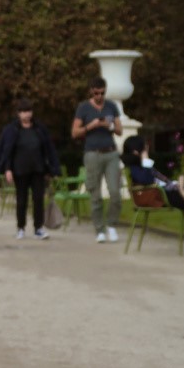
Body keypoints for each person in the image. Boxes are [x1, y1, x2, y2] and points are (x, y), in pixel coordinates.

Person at [122, 135, 184, 254]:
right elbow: (148, 180)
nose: (147, 148)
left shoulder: (141, 165)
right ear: (136, 151)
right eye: (145, 147)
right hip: (163, 195)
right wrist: (145, 161)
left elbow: (158, 180)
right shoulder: (136, 167)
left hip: (168, 190)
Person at [0, 98, 61, 240]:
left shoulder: (39, 129)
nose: (27, 114)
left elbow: (48, 149)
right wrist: (7, 169)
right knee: (21, 200)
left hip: (38, 169)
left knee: (38, 199)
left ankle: (38, 228)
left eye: (29, 111)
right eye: (24, 112)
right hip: (19, 170)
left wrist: (51, 170)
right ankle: (21, 227)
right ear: (18, 113)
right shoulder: (11, 130)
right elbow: (6, 151)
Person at [71, 76, 122, 243]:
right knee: (95, 193)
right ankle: (99, 229)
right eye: (96, 93)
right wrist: (90, 126)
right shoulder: (83, 108)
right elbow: (74, 133)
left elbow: (120, 130)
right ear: (91, 91)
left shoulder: (111, 106)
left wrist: (111, 126)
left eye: (102, 93)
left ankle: (112, 224)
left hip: (111, 152)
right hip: (92, 153)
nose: (100, 96)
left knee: (115, 192)